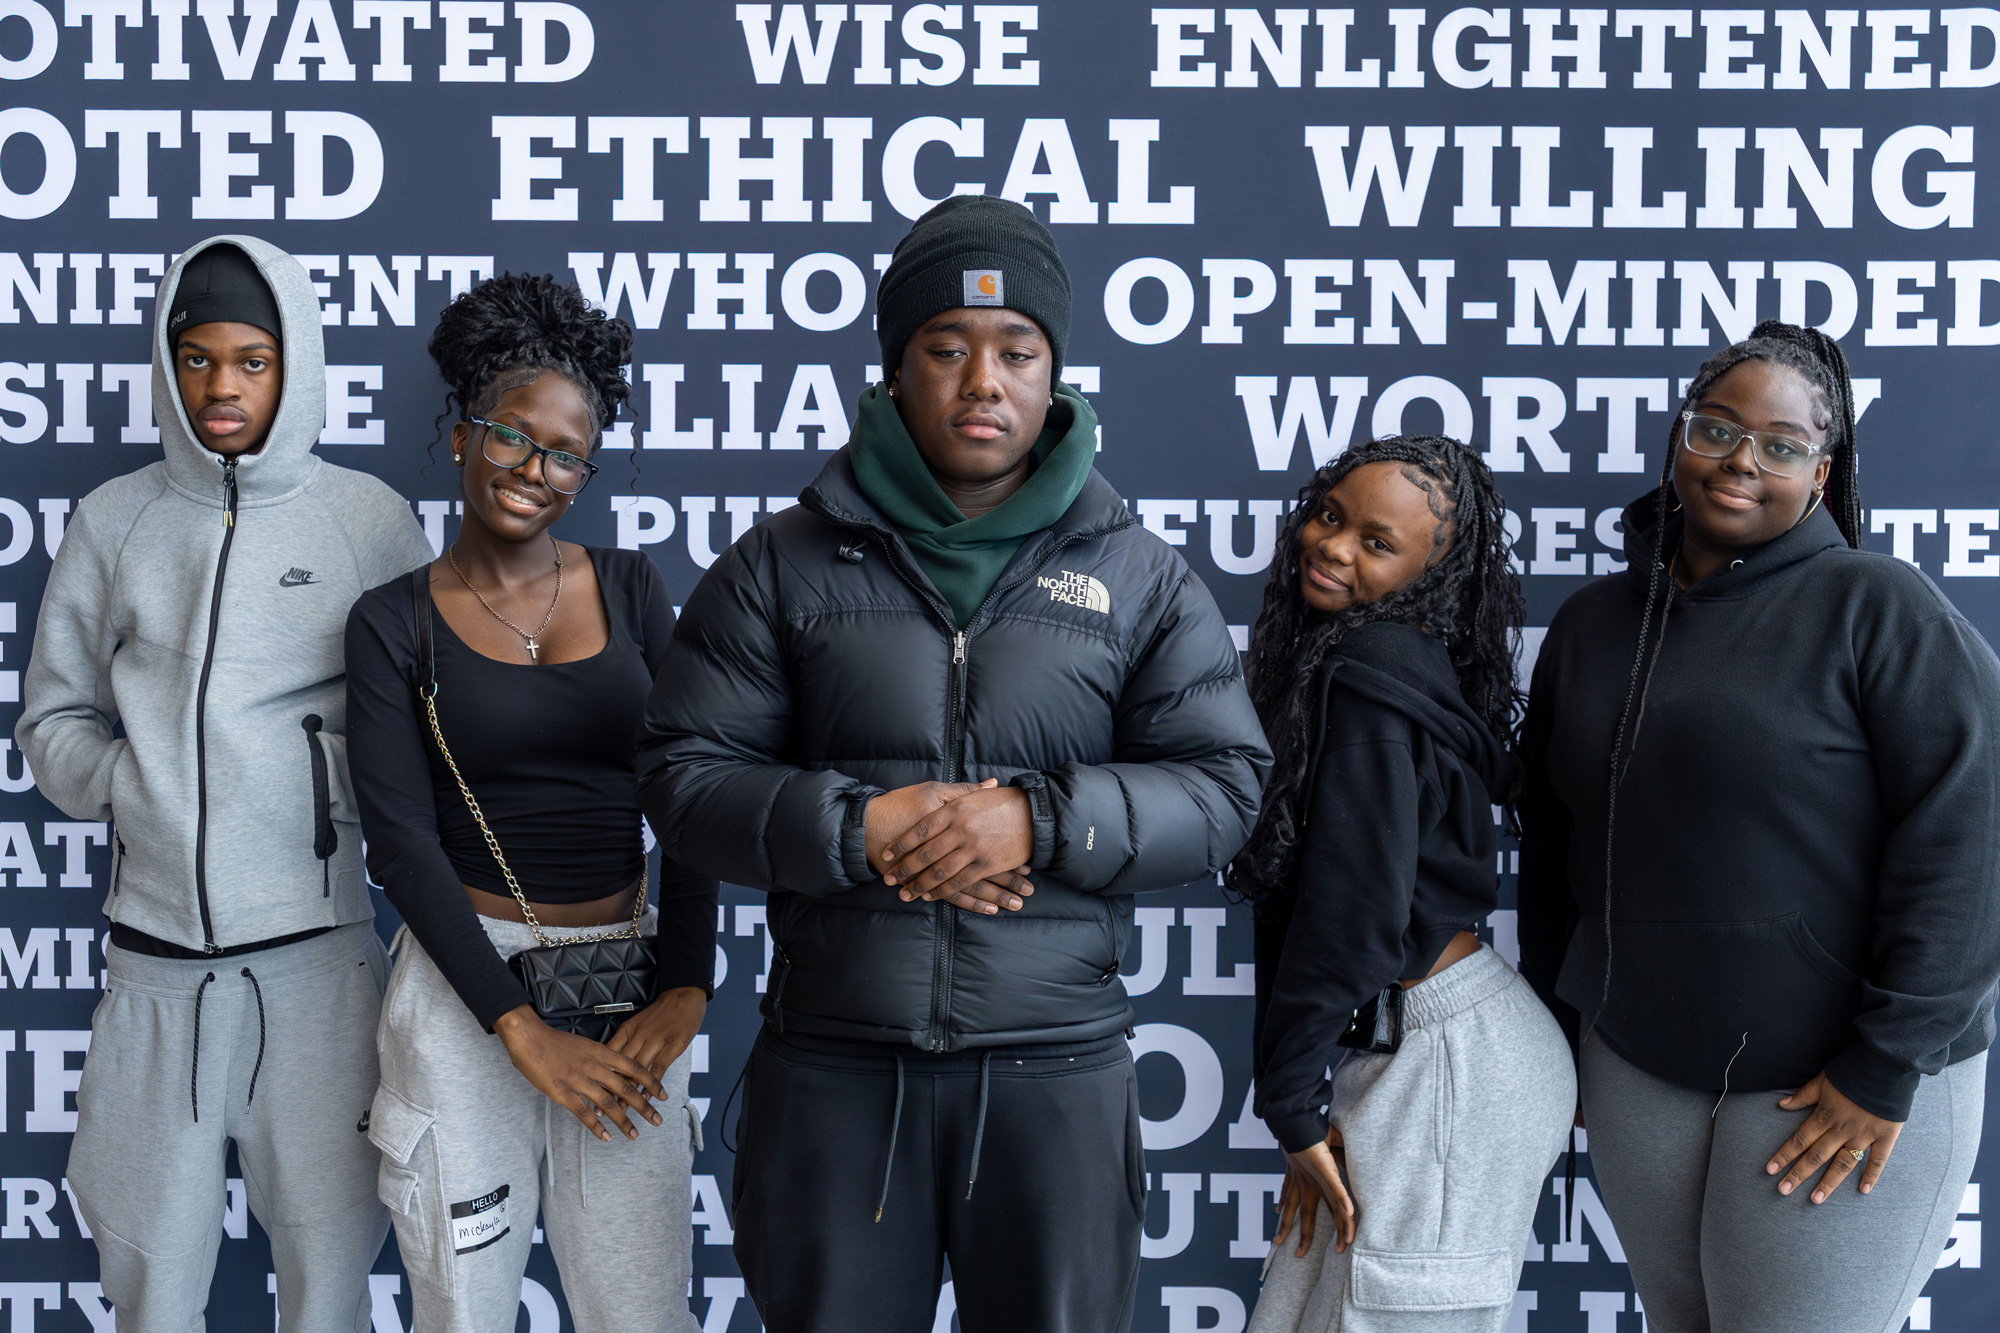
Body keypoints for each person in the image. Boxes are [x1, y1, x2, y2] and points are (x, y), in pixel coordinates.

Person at [636, 194, 1270, 1333]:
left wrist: (1036, 821)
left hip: (1053, 1077)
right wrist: (858, 829)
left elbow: (1225, 787)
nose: (983, 380)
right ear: (894, 369)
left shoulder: (1138, 572)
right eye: (947, 348)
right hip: (834, 1070)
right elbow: (684, 774)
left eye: (1015, 350)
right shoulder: (779, 563)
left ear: (1053, 372)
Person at [1518, 320, 2000, 1333]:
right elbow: (1556, 846)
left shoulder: (1878, 608)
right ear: (1678, 437)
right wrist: (1561, 1032)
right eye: (1716, 429)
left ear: (1818, 475)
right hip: (1639, 1067)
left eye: (1779, 445)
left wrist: (1882, 1062)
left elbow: (1972, 837)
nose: (1741, 460)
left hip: (1837, 1084)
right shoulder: (1592, 625)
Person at [16, 237, 433, 1331]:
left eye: (250, 360)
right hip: (153, 979)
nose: (222, 388)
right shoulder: (119, 517)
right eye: (197, 360)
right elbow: (51, 715)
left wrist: (317, 786)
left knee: (330, 1281)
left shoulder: (366, 519)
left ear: (291, 364)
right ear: (168, 365)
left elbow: (423, 730)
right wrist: (135, 780)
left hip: (320, 975)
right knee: (149, 1284)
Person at [343, 273, 714, 1333]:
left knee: (640, 1313)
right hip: (465, 993)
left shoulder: (634, 588)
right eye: (512, 436)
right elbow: (401, 845)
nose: (533, 470)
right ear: (464, 433)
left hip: (626, 993)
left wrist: (687, 982)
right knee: (462, 1312)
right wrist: (514, 1024)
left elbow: (691, 795)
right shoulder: (390, 623)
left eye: (564, 453)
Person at [1229, 436, 1573, 1332]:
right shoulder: (1372, 662)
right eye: (1331, 515)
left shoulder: (1372, 680)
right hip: (1421, 1043)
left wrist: (1291, 1100)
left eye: (1377, 542)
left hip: (1445, 1060)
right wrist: (1301, 1095)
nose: (1334, 546)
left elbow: (1352, 914)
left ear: (1433, 570)